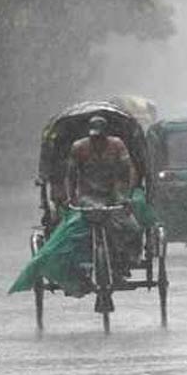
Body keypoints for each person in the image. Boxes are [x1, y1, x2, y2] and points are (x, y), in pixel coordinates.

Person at [65, 115, 140, 276]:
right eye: (94, 138)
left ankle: (126, 258)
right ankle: (82, 263)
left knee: (132, 228)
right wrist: (71, 197)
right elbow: (71, 175)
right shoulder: (79, 147)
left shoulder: (117, 145)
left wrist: (128, 194)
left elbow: (129, 170)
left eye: (100, 138)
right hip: (88, 195)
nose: (97, 142)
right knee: (73, 232)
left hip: (114, 194)